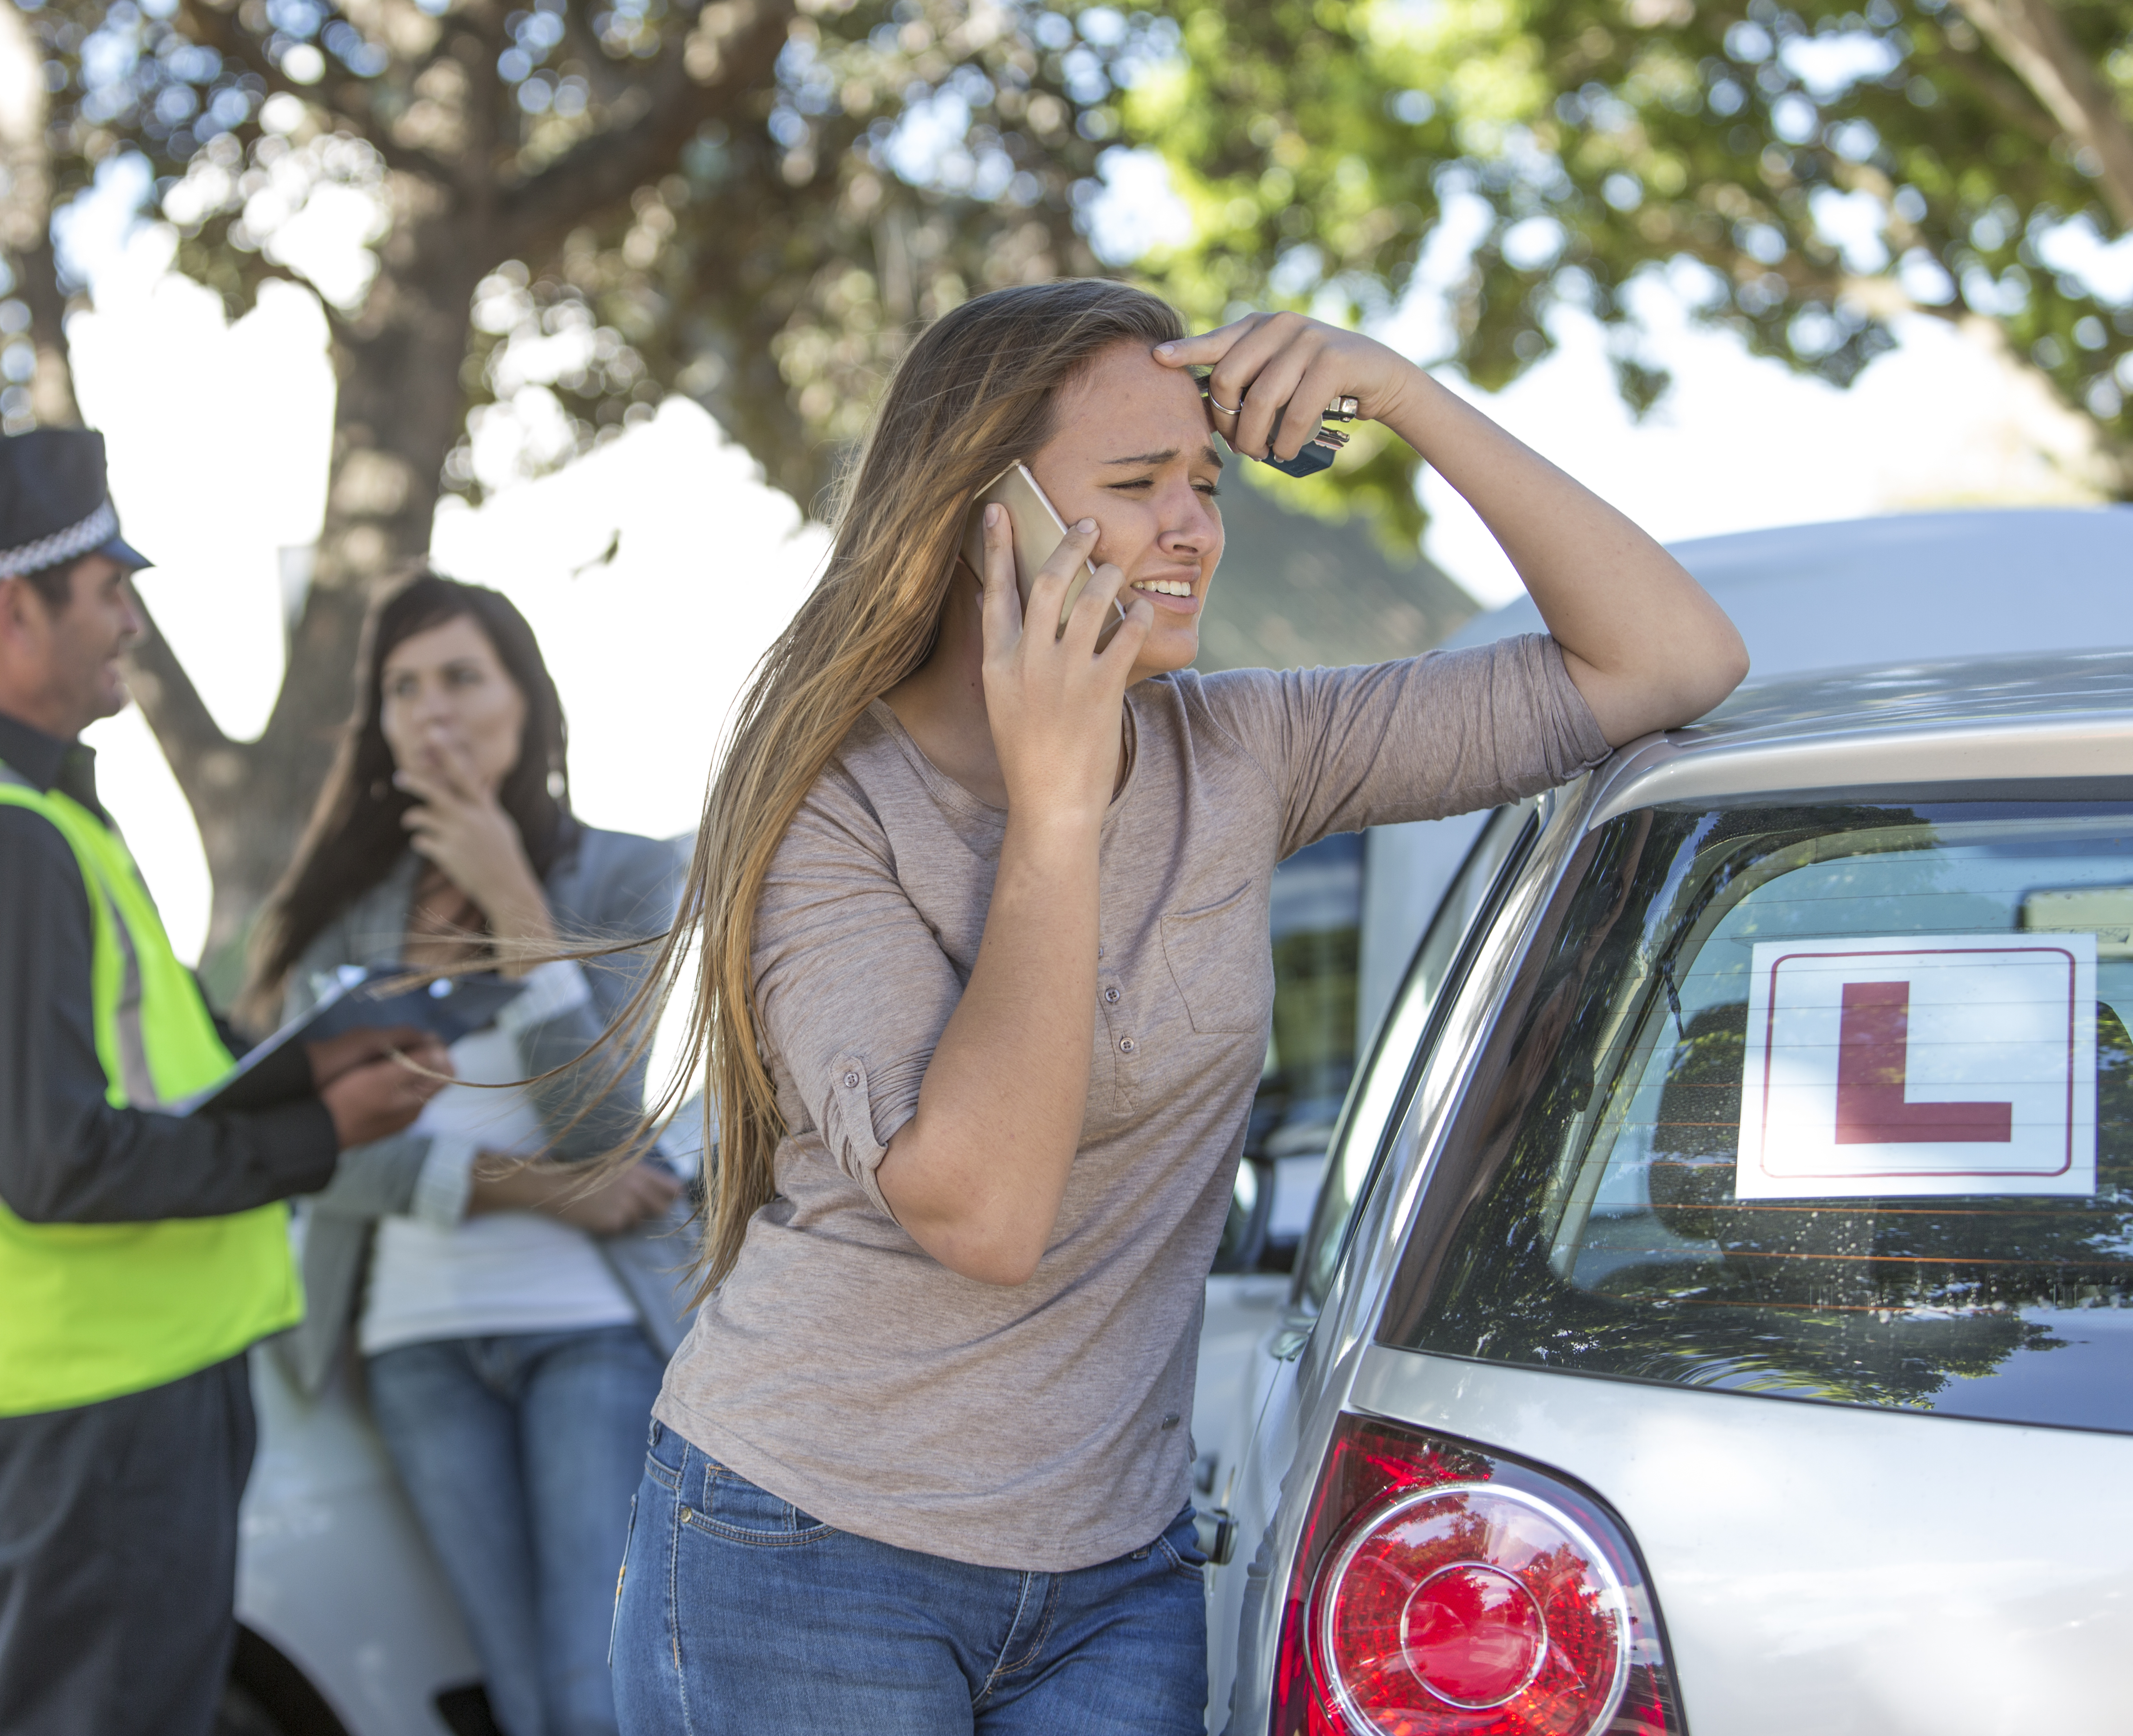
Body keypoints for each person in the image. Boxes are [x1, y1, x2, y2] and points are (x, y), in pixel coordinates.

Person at [607, 282, 1749, 1731]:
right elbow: (987, 1213)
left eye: (1205, 482)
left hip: (1116, 1574)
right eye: (1138, 481)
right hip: (808, 1546)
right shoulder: (829, 814)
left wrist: (1404, 395)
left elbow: (1670, 660)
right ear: (983, 519)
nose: (1193, 528)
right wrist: (1057, 805)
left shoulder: (1243, 748)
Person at [0, 428, 451, 1736]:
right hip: (89, 1398)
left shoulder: (33, 817)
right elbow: (59, 1158)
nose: (131, 621)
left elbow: (149, 1075)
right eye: (111, 590)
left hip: (114, 1383)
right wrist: (319, 1131)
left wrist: (302, 1065)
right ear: (18, 609)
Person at [246, 574, 689, 1736]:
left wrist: (513, 898)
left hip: (589, 1331)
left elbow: (599, 1128)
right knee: (519, 1696)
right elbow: (319, 1154)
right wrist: (525, 1188)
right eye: (403, 687)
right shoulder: (343, 913)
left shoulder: (629, 875)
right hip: (412, 1346)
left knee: (593, 1691)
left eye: (460, 676)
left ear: (524, 701)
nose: (431, 708)